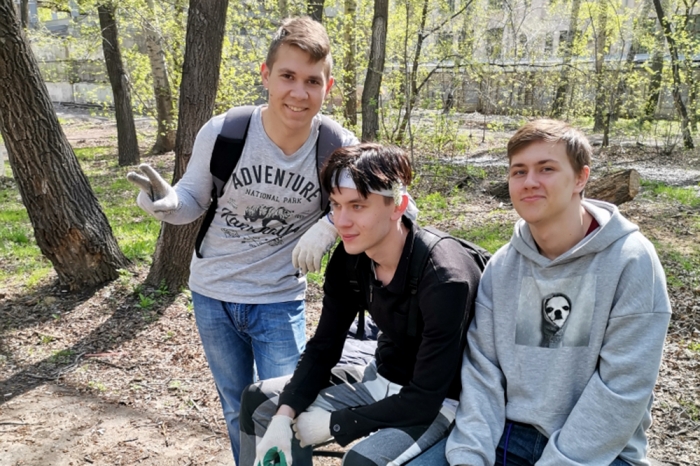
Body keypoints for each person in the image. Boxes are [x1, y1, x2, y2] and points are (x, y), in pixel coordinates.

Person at [126, 17, 358, 463]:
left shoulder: (335, 145)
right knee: (236, 409)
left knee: (286, 409)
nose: (299, 92)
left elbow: (391, 202)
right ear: (266, 75)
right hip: (212, 294)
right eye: (287, 76)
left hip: (278, 300)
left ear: (327, 87)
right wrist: (165, 203)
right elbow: (191, 200)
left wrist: (330, 224)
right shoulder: (225, 131)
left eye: (312, 81)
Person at [439, 119, 672, 466]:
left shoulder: (631, 261)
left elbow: (623, 388)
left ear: (581, 178)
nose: (529, 182)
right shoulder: (502, 266)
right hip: (508, 437)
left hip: (601, 452)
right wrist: (469, 456)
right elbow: (482, 370)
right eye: (519, 171)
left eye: (546, 169)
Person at [239, 143, 483, 466]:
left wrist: (336, 423)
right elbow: (323, 348)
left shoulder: (443, 277)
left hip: (439, 402)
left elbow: (425, 399)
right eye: (336, 205)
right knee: (260, 403)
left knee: (361, 461)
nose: (341, 222)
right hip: (377, 378)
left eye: (357, 206)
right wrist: (284, 416)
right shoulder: (350, 259)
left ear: (398, 206)